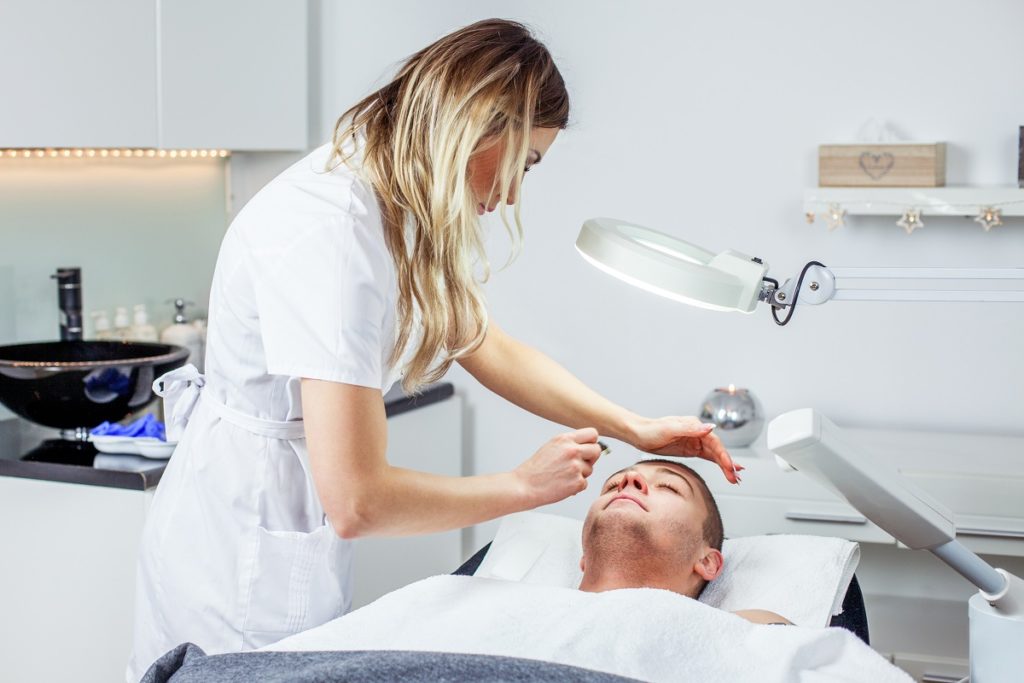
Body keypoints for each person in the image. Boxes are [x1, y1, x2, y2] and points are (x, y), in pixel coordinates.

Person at [127, 18, 741, 681]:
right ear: (477, 121)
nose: (510, 193)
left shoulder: (395, 193)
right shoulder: (332, 235)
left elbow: (481, 341)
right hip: (237, 557)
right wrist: (520, 487)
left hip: (283, 528)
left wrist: (636, 426)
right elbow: (359, 500)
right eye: (524, 164)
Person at [580, 459, 790, 625]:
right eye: (613, 486)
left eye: (669, 487)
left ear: (707, 562)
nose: (629, 479)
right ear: (584, 558)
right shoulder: (547, 604)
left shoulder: (732, 631)